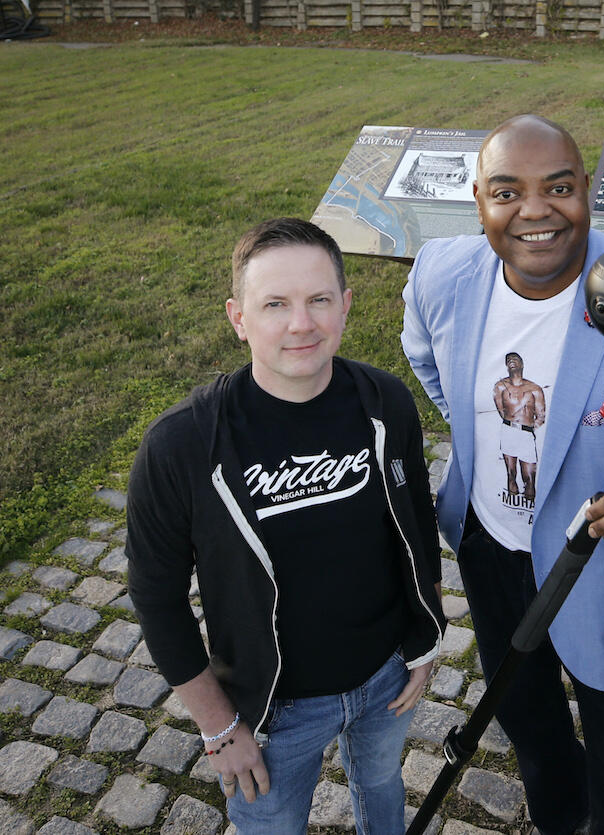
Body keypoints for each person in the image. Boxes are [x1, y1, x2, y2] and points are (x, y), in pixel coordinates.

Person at [401, 114, 604, 834]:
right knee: (528, 721)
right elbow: (428, 359)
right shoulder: (441, 272)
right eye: (506, 191)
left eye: (558, 187)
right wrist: (489, 436)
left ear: (588, 189)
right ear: (478, 198)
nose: (535, 210)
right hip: (489, 542)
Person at [126, 217, 446, 833]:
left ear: (346, 306)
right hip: (272, 715)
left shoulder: (386, 404)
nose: (301, 324)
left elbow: (414, 522)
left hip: (386, 681)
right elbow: (156, 599)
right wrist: (220, 727)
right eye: (275, 304)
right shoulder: (181, 447)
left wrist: (426, 634)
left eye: (319, 300)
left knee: (381, 786)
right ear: (238, 318)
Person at [493, 351, 546, 502]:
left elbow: (541, 416)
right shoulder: (500, 387)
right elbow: (500, 410)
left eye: (515, 359)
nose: (511, 361)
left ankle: (531, 506)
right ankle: (510, 502)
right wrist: (512, 424)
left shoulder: (534, 388)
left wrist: (528, 428)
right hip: (508, 430)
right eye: (508, 359)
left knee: (529, 478)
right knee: (511, 474)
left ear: (522, 364)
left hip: (526, 434)